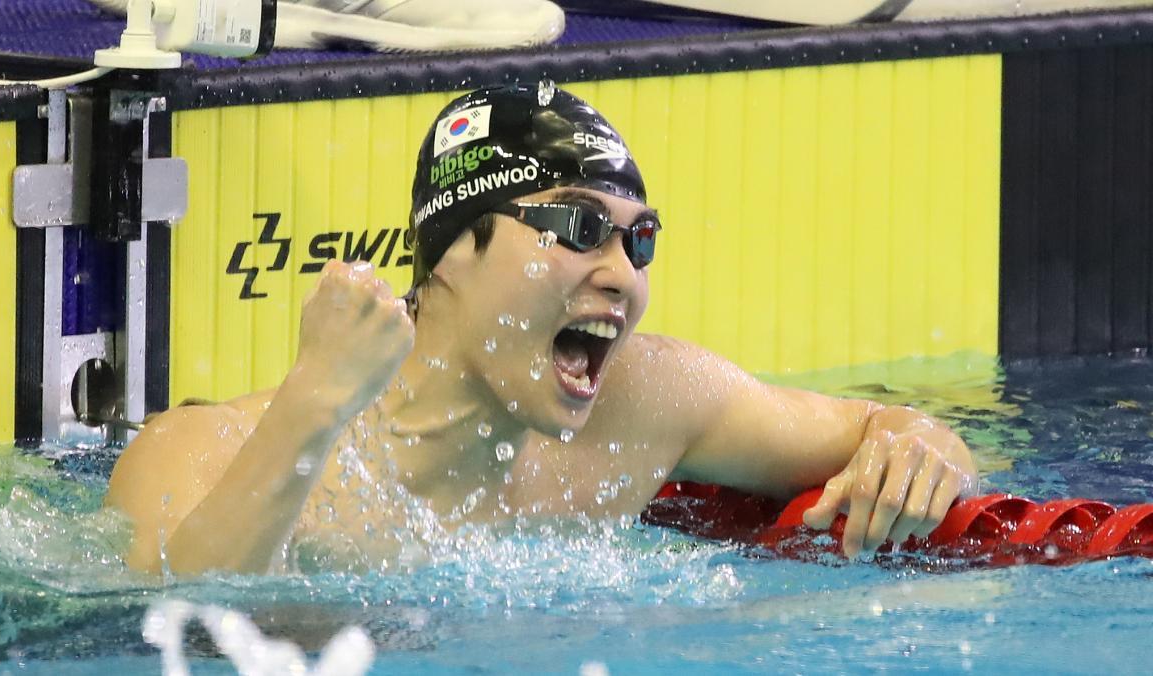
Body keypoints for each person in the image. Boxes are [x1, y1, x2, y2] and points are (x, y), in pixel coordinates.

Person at [106, 82, 978, 576]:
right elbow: (177, 629)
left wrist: (923, 447)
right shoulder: (193, 453)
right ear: (454, 250)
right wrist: (312, 406)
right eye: (580, 228)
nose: (623, 275)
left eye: (639, 240)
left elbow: (887, 427)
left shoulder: (649, 403)